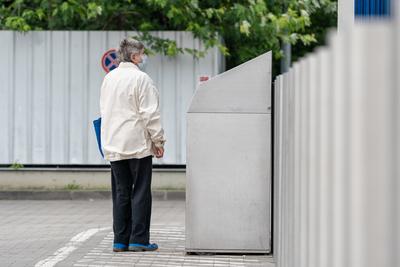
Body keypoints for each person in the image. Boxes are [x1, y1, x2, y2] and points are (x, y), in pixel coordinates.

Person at [100, 37, 166, 252]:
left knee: (121, 192)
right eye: (142, 54)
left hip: (114, 144)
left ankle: (120, 240)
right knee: (140, 192)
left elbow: (104, 112)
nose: (144, 57)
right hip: (138, 144)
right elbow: (150, 114)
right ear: (135, 56)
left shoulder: (108, 79)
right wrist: (158, 141)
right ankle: (138, 239)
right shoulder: (142, 79)